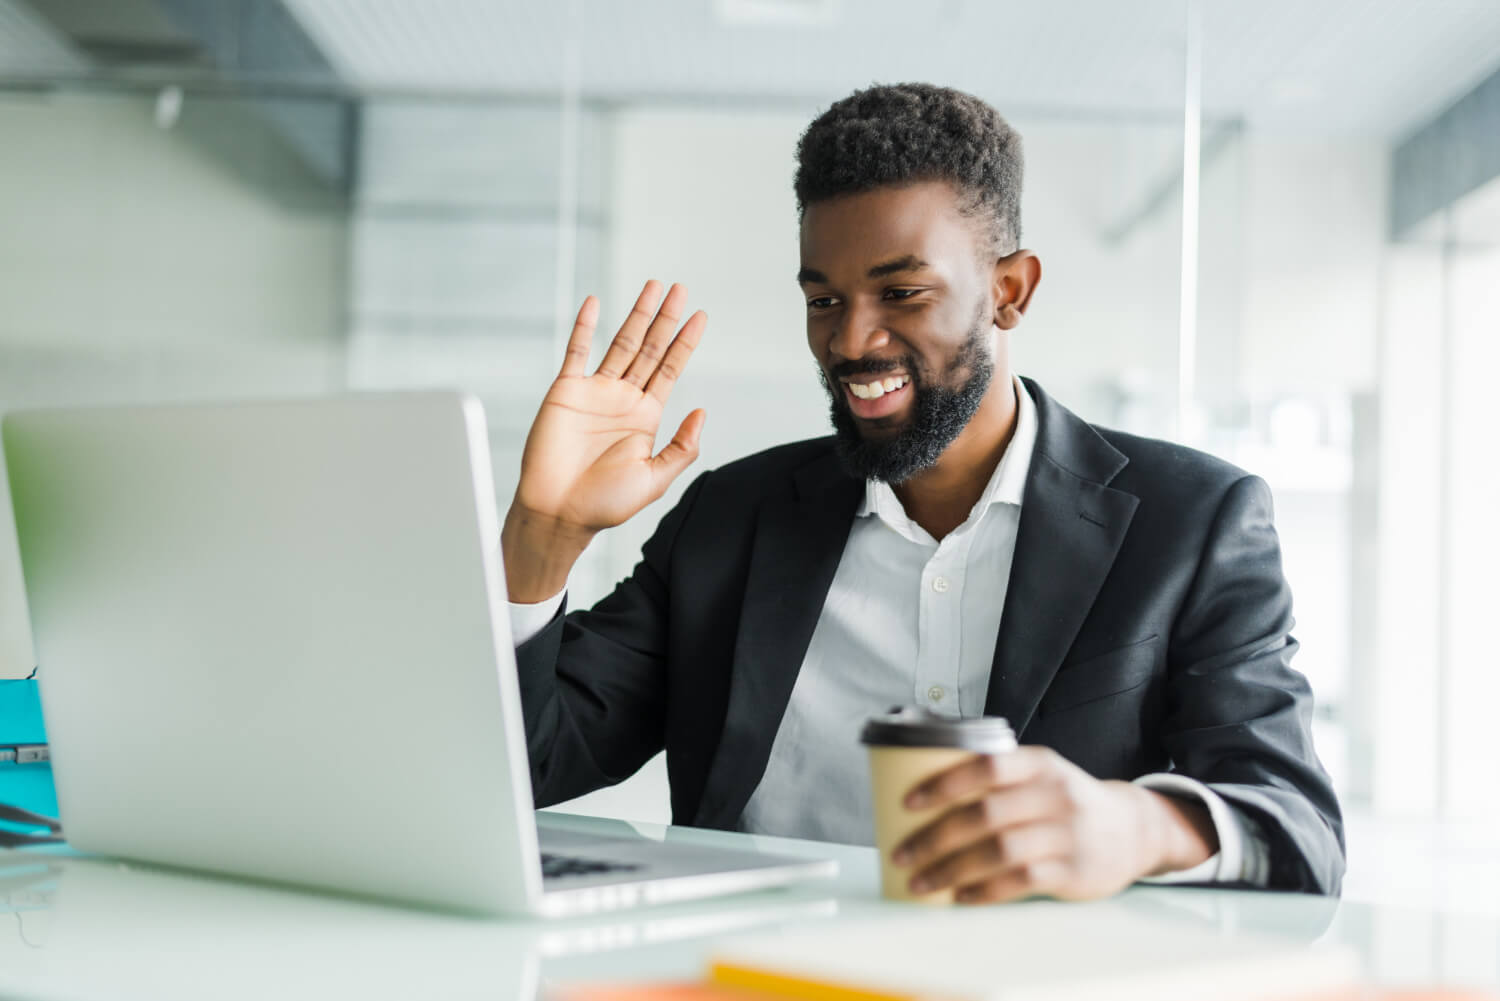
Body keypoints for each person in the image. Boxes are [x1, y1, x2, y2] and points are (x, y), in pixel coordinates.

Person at [501, 83, 1344, 901]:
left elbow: (1298, 828)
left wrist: (1136, 825)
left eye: (902, 292)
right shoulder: (732, 517)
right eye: (824, 299)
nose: (851, 338)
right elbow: (529, 762)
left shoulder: (1192, 522)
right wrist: (544, 536)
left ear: (1008, 291)